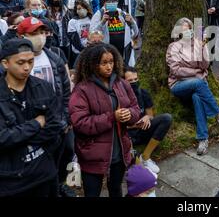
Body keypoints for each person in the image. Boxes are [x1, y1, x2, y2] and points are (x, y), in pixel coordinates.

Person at [69, 44, 141, 197]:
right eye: (104, 63)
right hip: (93, 154)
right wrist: (111, 117)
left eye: (111, 62)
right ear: (93, 64)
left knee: (116, 189)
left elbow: (135, 107)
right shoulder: (82, 89)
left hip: (119, 151)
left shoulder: (122, 83)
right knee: (92, 192)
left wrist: (130, 114)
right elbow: (80, 123)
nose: (109, 67)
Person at [17, 16, 73, 196]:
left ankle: (59, 185)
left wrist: (64, 119)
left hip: (56, 123)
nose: (40, 37)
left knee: (65, 154)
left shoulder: (54, 59)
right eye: (34, 33)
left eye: (42, 32)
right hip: (30, 126)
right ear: (22, 36)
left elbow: (65, 91)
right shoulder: (14, 63)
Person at [167, 17, 219, 155]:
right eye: (184, 30)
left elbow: (205, 66)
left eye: (189, 29)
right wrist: (195, 73)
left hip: (197, 86)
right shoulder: (173, 47)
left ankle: (203, 139)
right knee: (199, 82)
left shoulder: (198, 44)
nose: (187, 32)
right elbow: (175, 70)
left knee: (197, 98)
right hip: (178, 85)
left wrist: (201, 49)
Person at [0, 38, 62, 197]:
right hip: (11, 181)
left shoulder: (44, 88)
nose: (27, 67)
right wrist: (35, 124)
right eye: (20, 63)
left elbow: (55, 127)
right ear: (5, 64)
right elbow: (2, 138)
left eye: (30, 61)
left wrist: (19, 136)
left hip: (43, 174)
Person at [124, 67, 172, 174]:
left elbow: (150, 115)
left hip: (143, 131)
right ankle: (133, 161)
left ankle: (145, 157)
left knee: (166, 118)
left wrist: (146, 117)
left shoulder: (143, 93)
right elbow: (115, 125)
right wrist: (134, 125)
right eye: (130, 81)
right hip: (127, 135)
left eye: (135, 79)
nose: (134, 82)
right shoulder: (120, 98)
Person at [91, 0, 139, 66]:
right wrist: (102, 22)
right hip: (107, 55)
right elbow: (92, 35)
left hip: (124, 54)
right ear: (104, 2)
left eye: (113, 1)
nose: (111, 4)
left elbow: (135, 34)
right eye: (108, 2)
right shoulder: (99, 14)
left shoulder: (123, 14)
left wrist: (132, 22)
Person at [67, 0, 93, 64]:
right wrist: (83, 49)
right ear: (76, 10)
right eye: (79, 8)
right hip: (78, 53)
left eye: (83, 8)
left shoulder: (92, 18)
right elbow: (74, 39)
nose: (81, 10)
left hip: (92, 50)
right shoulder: (72, 22)